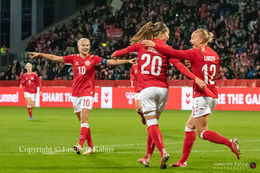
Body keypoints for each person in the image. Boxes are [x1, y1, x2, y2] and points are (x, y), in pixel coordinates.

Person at [112, 22, 206, 169]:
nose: (169, 36)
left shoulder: (142, 45)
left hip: (147, 89)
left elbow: (125, 50)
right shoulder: (167, 49)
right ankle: (147, 157)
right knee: (153, 124)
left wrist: (116, 54)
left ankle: (163, 152)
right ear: (160, 34)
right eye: (167, 33)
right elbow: (180, 66)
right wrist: (195, 77)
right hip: (163, 90)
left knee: (151, 124)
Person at [142, 28, 240, 167]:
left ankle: (229, 143)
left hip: (201, 95)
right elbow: (215, 73)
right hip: (213, 94)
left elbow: (174, 53)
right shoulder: (215, 55)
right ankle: (183, 161)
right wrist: (195, 63)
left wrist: (155, 45)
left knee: (202, 132)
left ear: (201, 40)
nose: (190, 40)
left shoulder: (195, 52)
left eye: (193, 37)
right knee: (189, 127)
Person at [28, 38, 137, 155]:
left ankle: (79, 145)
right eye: (83, 45)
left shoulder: (94, 59)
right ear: (78, 47)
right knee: (82, 122)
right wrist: (40, 54)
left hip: (88, 92)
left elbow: (111, 62)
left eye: (87, 45)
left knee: (84, 120)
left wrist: (128, 61)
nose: (86, 47)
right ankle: (90, 147)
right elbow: (55, 58)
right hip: (75, 94)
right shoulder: (73, 58)